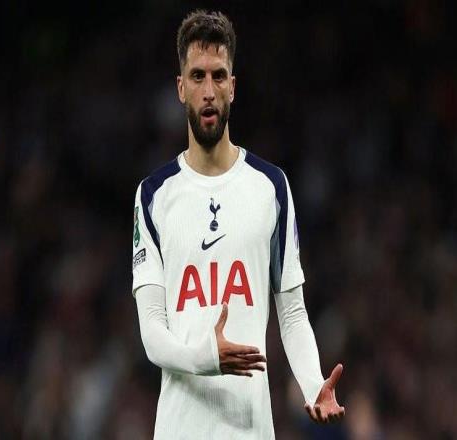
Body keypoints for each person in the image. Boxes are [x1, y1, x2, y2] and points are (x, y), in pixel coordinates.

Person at [132, 10, 345, 439]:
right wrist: (207, 357)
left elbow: (292, 312)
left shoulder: (270, 187)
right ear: (180, 87)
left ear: (233, 85)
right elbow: (152, 331)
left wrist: (312, 384)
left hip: (250, 430)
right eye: (197, 76)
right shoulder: (154, 196)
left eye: (218, 76)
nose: (208, 91)